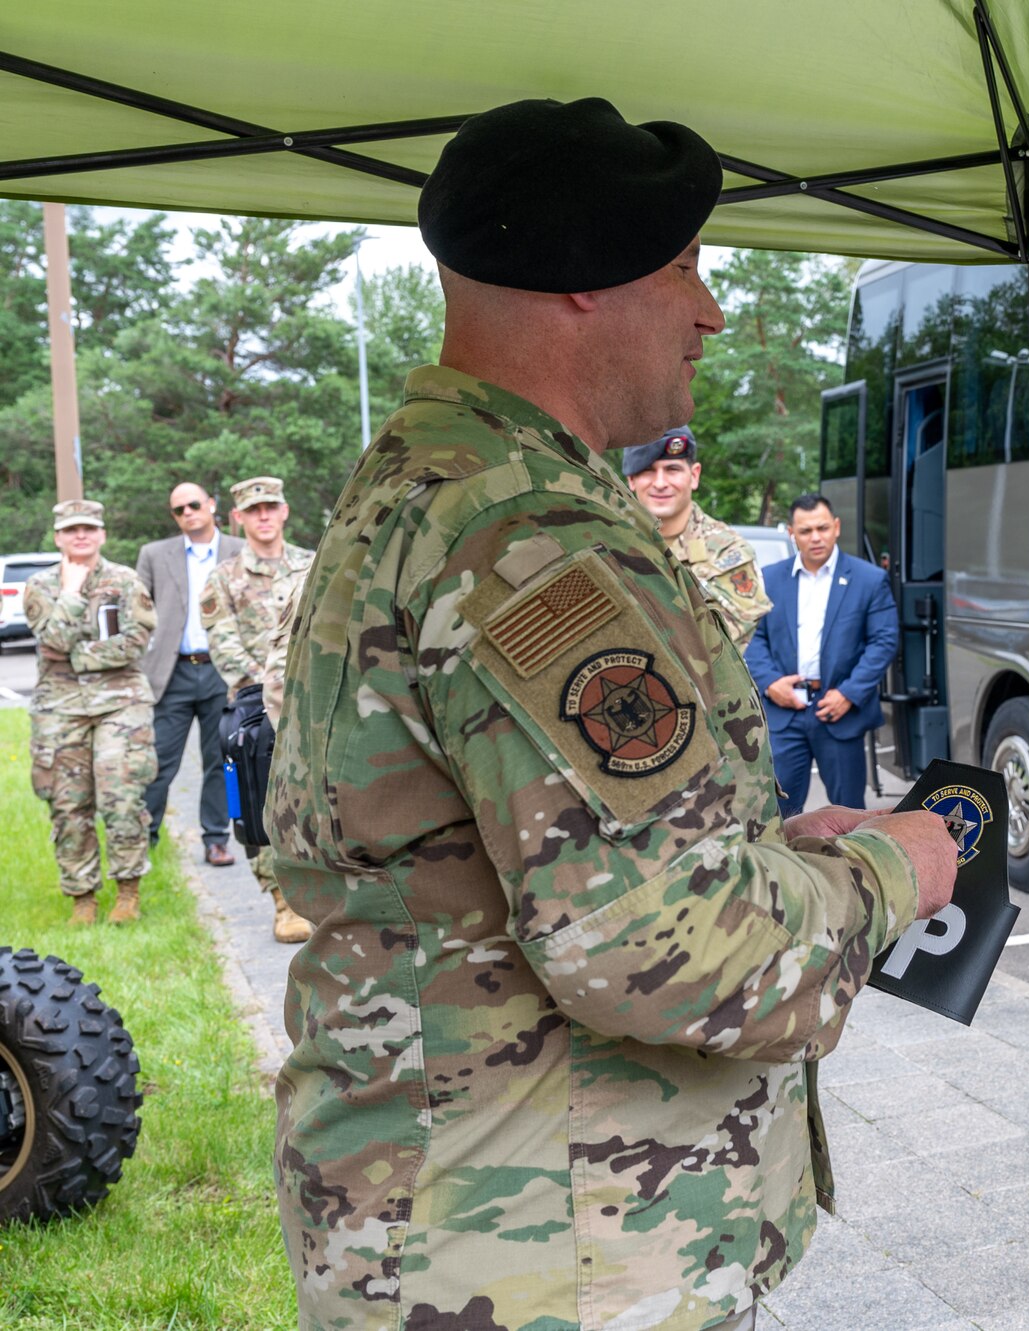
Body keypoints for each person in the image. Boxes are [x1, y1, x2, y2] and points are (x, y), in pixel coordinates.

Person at [264, 97, 959, 1331]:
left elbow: (515, 854)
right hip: (549, 1253)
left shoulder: (435, 478)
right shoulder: (526, 536)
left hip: (476, 1224)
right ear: (587, 273)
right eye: (687, 265)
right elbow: (656, 947)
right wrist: (886, 869)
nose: (710, 311)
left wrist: (756, 848)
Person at [25, 500, 158, 925]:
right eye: (71, 530)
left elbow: (134, 643)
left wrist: (76, 656)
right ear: (58, 537)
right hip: (59, 709)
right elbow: (51, 638)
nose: (80, 536)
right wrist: (70, 590)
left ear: (101, 534)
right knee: (67, 804)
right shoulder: (39, 586)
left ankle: (128, 892)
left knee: (122, 796)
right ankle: (82, 896)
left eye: (88, 529)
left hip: (121, 704)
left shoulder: (126, 580)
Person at [198, 475, 315, 943]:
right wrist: (271, 688)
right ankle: (283, 901)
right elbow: (222, 645)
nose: (264, 516)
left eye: (271, 507)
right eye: (254, 510)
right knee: (260, 802)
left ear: (284, 511)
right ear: (239, 519)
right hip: (254, 711)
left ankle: (328, 892)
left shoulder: (314, 564)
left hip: (312, 704)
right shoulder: (224, 578)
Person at [744, 493, 899, 817]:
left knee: (850, 817)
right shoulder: (768, 579)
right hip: (784, 712)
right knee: (779, 816)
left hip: (840, 712)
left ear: (836, 527)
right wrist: (771, 683)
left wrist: (850, 693)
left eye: (823, 528)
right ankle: (787, 869)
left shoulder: (869, 580)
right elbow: (752, 636)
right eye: (805, 531)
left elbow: (884, 640)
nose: (815, 537)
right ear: (791, 533)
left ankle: (850, 869)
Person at [136, 481, 243, 867]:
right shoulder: (153, 554)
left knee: (219, 759)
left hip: (223, 671)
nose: (187, 513)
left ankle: (216, 839)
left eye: (194, 505)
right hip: (173, 673)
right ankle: (143, 840)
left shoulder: (239, 550)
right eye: (178, 510)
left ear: (212, 505)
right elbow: (138, 614)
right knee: (159, 760)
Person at [622, 426, 772, 647]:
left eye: (672, 469)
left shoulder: (728, 552)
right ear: (631, 480)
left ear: (694, 476)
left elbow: (723, 647)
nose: (660, 483)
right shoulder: (607, 539)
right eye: (647, 470)